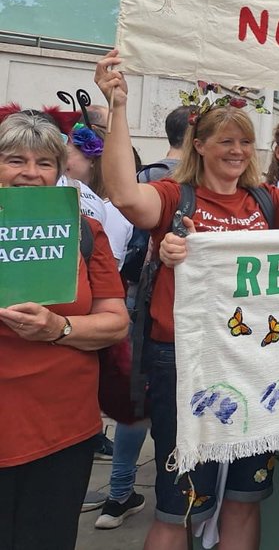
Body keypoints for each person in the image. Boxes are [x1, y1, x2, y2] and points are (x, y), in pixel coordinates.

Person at [94, 50, 279, 550]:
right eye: (226, 140)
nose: (237, 150)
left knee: (244, 499)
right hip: (183, 362)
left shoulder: (267, 200)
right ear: (200, 145)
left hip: (253, 360)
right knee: (179, 503)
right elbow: (123, 194)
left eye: (245, 141)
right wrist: (118, 107)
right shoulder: (174, 195)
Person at [0, 109, 128, 550]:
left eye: (44, 163)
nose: (30, 173)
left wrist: (58, 327)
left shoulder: (85, 231)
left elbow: (115, 322)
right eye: (15, 160)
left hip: (61, 430)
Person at [96, 105, 193, 531]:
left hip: (135, 295)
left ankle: (118, 494)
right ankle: (180, 496)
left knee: (136, 402)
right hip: (164, 306)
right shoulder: (180, 184)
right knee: (167, 405)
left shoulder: (146, 175)